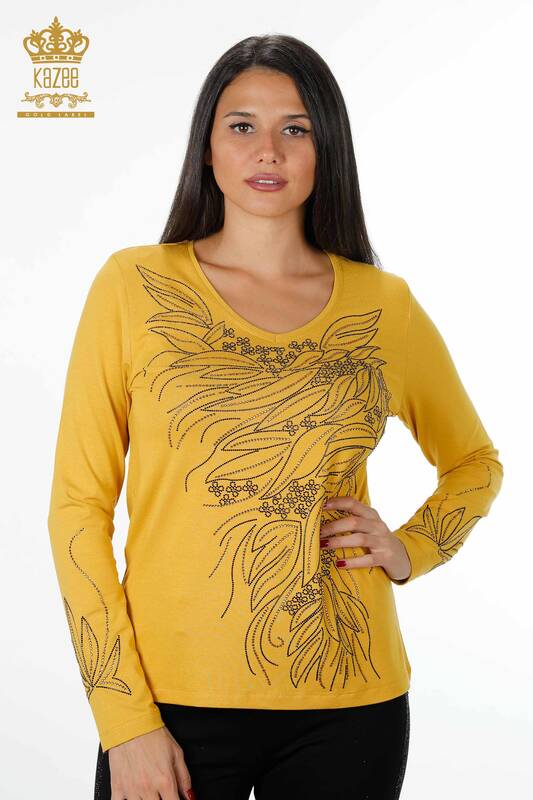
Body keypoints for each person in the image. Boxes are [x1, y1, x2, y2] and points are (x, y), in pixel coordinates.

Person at [47, 33, 503, 800]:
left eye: (296, 128)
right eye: (241, 126)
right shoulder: (133, 287)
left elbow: (474, 464)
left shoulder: (383, 306)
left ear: (327, 150)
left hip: (350, 702)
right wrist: (123, 721)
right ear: (206, 148)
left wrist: (410, 549)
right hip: (170, 705)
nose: (268, 150)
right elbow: (76, 511)